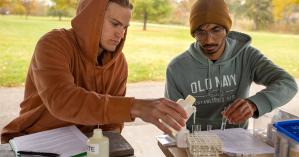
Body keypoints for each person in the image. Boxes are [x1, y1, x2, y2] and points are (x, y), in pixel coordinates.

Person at [1, 0, 187, 143]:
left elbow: (112, 124)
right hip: (35, 140)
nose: (120, 34)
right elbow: (63, 100)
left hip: (86, 144)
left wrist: (108, 145)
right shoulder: (52, 44)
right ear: (91, 19)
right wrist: (134, 106)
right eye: (115, 24)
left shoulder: (119, 63)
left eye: (124, 27)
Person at [165, 0, 298, 131]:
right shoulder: (176, 68)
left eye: (216, 30)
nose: (209, 39)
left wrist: (254, 104)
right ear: (194, 34)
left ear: (227, 30)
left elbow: (288, 83)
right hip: (195, 142)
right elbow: (171, 121)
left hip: (238, 140)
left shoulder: (247, 56)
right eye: (201, 32)